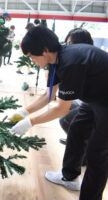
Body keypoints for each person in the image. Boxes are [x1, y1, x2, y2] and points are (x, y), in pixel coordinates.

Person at [10, 25, 108, 200]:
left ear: (45, 51)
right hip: (95, 98)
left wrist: (29, 122)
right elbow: (49, 95)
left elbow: (61, 108)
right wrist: (23, 112)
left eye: (32, 57)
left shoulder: (71, 62)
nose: (32, 61)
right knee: (77, 129)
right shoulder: (57, 60)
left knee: (97, 155)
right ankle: (69, 177)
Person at [59, 28, 94, 146]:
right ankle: (74, 139)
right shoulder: (88, 55)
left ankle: (82, 148)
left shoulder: (83, 59)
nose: (67, 47)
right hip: (90, 100)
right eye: (67, 43)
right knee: (71, 107)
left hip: (99, 103)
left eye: (70, 43)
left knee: (65, 120)